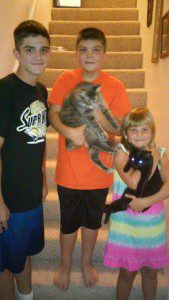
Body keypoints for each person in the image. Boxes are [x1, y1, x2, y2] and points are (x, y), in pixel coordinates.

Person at [49, 27, 130, 291]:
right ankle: (65, 263)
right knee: (68, 223)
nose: (89, 55)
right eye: (83, 49)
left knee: (92, 222)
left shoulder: (115, 85)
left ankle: (86, 262)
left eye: (96, 49)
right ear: (76, 53)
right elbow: (54, 114)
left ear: (105, 55)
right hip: (68, 173)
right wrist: (70, 131)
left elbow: (120, 128)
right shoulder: (64, 79)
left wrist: (97, 116)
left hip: (98, 174)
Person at [0, 20, 50, 300]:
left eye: (44, 49)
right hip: (9, 198)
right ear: (17, 53)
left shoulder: (41, 91)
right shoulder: (5, 91)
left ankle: (27, 295)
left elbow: (39, 140)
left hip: (31, 196)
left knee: (25, 254)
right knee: (6, 264)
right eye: (30, 49)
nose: (38, 56)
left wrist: (43, 179)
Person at [103, 107, 169, 300]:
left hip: (152, 223)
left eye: (144, 130)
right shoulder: (120, 153)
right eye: (134, 130)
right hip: (127, 225)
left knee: (150, 272)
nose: (139, 134)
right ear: (125, 133)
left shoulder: (162, 153)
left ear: (152, 132)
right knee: (127, 273)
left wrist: (146, 201)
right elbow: (133, 181)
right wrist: (152, 156)